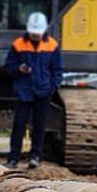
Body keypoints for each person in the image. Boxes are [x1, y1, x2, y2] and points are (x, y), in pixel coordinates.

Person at [5, 12, 61, 169]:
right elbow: (9, 66)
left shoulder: (52, 45)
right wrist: (18, 69)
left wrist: (53, 86)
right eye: (33, 33)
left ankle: (35, 156)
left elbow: (57, 70)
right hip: (24, 91)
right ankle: (13, 157)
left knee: (39, 125)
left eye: (38, 33)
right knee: (19, 124)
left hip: (43, 92)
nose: (35, 35)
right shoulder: (18, 44)